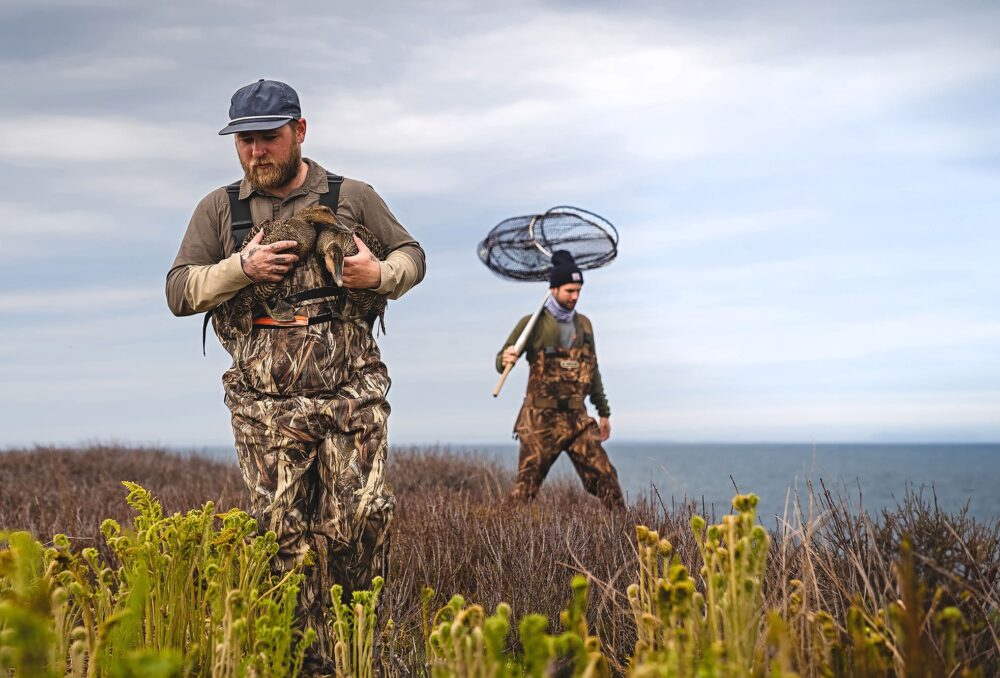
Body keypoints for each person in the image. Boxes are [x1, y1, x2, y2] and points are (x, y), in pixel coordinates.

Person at [166, 79, 425, 671]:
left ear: (300, 132)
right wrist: (240, 266)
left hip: (351, 393)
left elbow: (413, 255)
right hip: (263, 406)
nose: (256, 151)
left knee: (363, 518)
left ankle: (360, 649)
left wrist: (377, 274)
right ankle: (305, 663)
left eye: (269, 138)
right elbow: (179, 292)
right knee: (281, 540)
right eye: (245, 140)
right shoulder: (219, 210)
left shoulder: (353, 196)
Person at [496, 250, 625, 511]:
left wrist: (604, 412)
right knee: (525, 489)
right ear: (554, 289)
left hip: (577, 418)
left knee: (608, 480)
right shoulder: (533, 324)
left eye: (578, 290)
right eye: (569, 290)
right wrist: (506, 357)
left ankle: (626, 540)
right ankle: (499, 540)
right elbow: (502, 361)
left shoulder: (585, 325)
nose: (575, 297)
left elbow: (594, 371)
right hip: (540, 419)